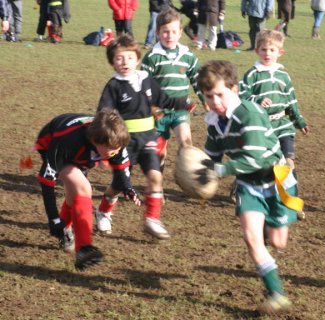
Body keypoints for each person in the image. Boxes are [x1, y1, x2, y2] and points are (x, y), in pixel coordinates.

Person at [197, 60, 301, 315]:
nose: (215, 102)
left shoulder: (249, 114)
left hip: (277, 181)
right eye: (209, 97)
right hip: (248, 185)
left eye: (220, 94)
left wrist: (221, 171)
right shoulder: (214, 121)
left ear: (234, 89)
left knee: (278, 242)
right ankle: (276, 294)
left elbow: (255, 159)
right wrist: (196, 171)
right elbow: (211, 156)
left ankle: (271, 225)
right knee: (251, 238)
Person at [98, 35, 190, 239]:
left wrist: (183, 103)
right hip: (124, 145)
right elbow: (103, 115)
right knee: (120, 184)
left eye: (129, 58)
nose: (125, 62)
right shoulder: (113, 86)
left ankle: (152, 219)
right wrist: (105, 143)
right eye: (119, 58)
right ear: (112, 62)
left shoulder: (146, 80)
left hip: (148, 140)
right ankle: (104, 211)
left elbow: (163, 99)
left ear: (138, 59)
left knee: (156, 177)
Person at [35, 109, 141, 270]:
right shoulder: (67, 140)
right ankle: (84, 249)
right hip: (51, 143)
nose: (116, 151)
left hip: (80, 152)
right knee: (83, 188)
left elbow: (121, 168)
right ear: (95, 141)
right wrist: (53, 218)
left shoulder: (115, 140)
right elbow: (46, 181)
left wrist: (128, 187)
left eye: (118, 148)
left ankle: (64, 232)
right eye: (112, 149)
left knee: (75, 193)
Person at [239, 29, 310, 219]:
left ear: (280, 52)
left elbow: (291, 101)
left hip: (283, 125)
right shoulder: (251, 75)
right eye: (263, 49)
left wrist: (299, 121)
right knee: (262, 167)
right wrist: (256, 102)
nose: (267, 53)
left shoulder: (284, 76)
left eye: (272, 50)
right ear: (257, 51)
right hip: (261, 128)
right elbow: (240, 98)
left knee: (288, 164)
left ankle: (293, 204)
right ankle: (241, 187)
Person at [141, 7, 201, 173]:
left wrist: (205, 100)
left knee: (186, 143)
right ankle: (158, 185)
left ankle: (187, 177)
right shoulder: (152, 57)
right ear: (158, 32)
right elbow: (144, 85)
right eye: (165, 32)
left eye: (174, 31)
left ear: (180, 32)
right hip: (158, 112)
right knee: (159, 152)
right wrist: (151, 107)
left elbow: (198, 79)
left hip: (180, 110)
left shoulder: (188, 56)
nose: (170, 36)